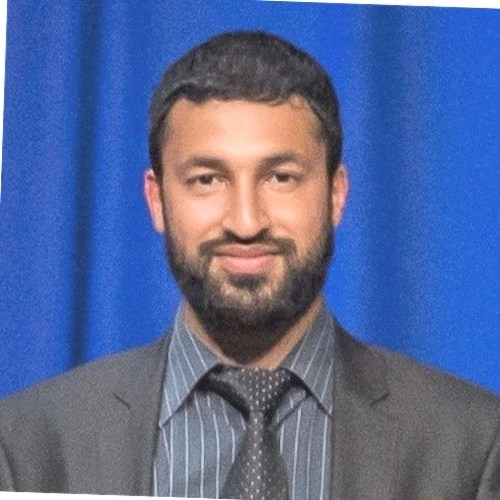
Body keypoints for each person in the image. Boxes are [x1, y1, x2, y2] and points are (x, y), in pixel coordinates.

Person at [0, 31, 499, 500]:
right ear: (156, 200)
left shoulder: (473, 444)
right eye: (207, 179)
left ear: (336, 194)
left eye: (281, 177)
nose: (245, 222)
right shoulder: (27, 445)